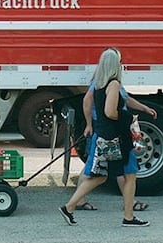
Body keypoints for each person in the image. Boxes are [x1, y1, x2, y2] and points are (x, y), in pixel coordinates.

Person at [59, 48, 150, 227]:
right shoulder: (114, 84)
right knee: (130, 175)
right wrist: (127, 118)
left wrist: (143, 108)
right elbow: (110, 111)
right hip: (117, 138)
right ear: (116, 65)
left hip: (104, 135)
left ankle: (69, 207)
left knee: (99, 176)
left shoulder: (99, 84)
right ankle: (128, 217)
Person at [74, 51, 157, 211]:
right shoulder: (103, 83)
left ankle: (129, 204)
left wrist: (144, 108)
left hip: (111, 129)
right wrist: (89, 124)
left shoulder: (113, 83)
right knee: (96, 168)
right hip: (105, 129)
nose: (122, 64)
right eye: (120, 61)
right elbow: (87, 101)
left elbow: (126, 99)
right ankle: (76, 202)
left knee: (116, 168)